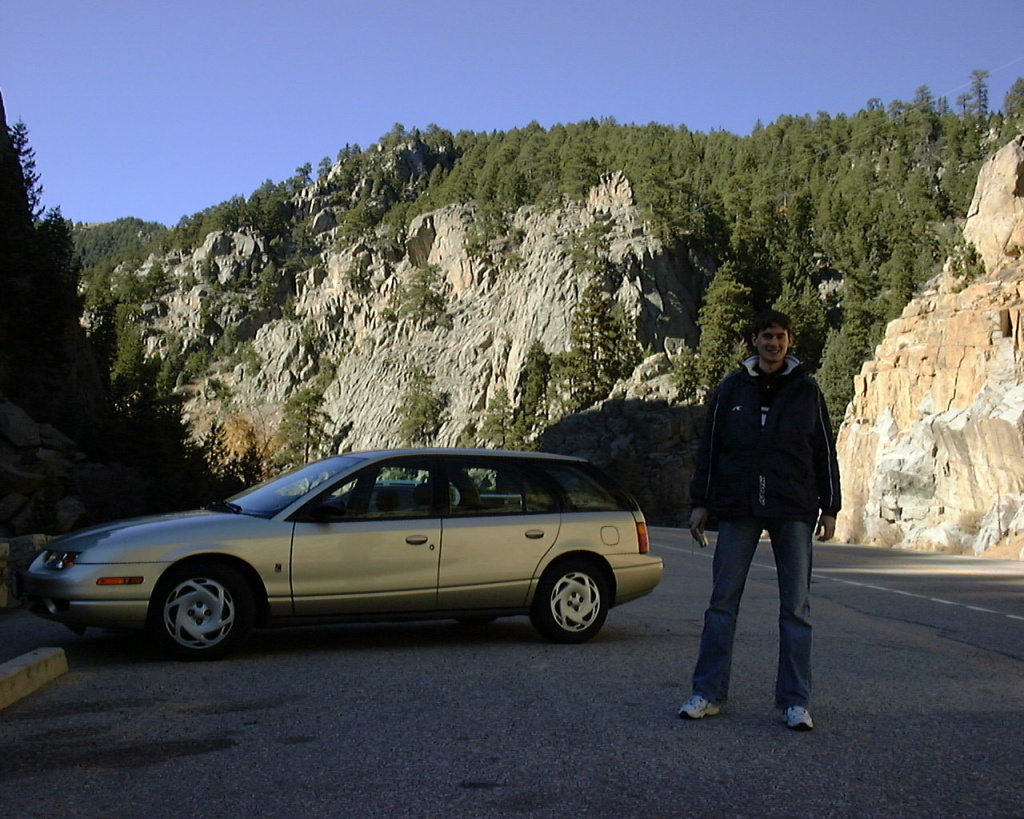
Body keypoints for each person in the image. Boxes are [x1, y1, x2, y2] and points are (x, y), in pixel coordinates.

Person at [679, 309, 840, 731]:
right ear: (755, 340)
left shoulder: (807, 390)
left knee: (796, 609)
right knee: (722, 604)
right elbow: (710, 448)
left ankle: (795, 702)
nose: (774, 343)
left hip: (794, 507)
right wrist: (700, 502)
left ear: (790, 342)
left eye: (781, 336)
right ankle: (707, 693)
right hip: (739, 506)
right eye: (767, 336)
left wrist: (831, 507)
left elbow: (824, 450)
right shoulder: (731, 388)